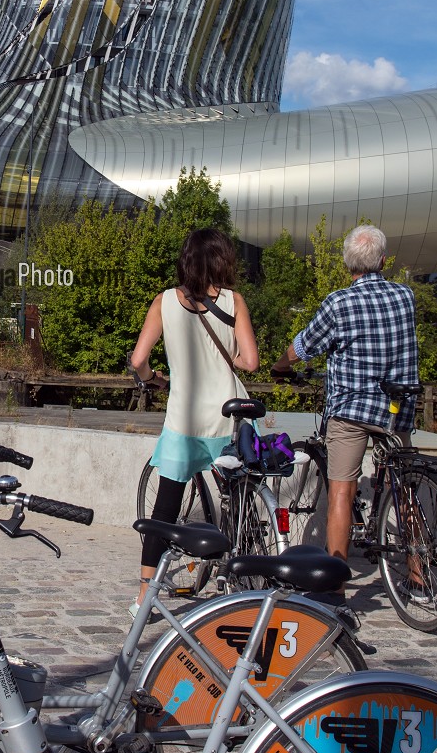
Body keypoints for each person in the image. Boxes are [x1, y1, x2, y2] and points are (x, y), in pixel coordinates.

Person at [270, 224, 419, 580]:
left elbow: (304, 345)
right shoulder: (406, 296)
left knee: (341, 489)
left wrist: (281, 365)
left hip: (351, 410)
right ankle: (418, 572)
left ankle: (334, 585)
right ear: (383, 260)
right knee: (407, 485)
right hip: (397, 409)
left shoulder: (339, 303)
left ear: (347, 265)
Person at [129, 228, 259, 613]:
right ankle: (237, 581)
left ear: (186, 260)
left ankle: (143, 598)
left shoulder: (164, 301)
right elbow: (249, 362)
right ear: (224, 259)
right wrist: (227, 361)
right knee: (238, 500)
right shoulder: (235, 302)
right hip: (229, 416)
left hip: (185, 418)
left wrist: (152, 378)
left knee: (164, 511)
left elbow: (138, 360)